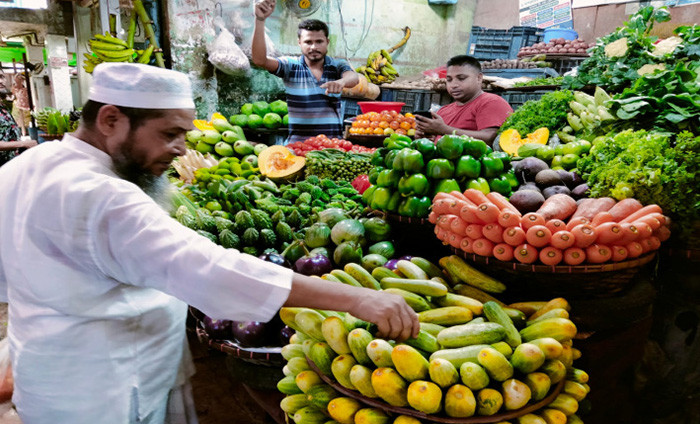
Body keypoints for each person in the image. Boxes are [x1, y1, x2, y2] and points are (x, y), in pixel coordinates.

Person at [0, 62, 419, 423]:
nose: (181, 150)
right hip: (111, 385)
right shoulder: (104, 195)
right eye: (169, 134)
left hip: (49, 370)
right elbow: (212, 269)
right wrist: (357, 300)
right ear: (111, 120)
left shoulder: (27, 165)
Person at [251, 0, 359, 144]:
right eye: (308, 42)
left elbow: (354, 78)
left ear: (327, 42)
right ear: (299, 43)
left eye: (319, 41)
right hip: (297, 146)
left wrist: (341, 82)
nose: (314, 47)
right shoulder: (290, 66)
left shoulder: (337, 65)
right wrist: (260, 20)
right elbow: (260, 60)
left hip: (332, 147)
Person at [415, 55, 513, 145]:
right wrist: (426, 138)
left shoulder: (491, 102)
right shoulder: (443, 110)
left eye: (461, 78)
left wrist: (444, 130)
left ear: (479, 78)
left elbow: (491, 138)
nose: (454, 85)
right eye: (449, 80)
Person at [0, 68, 37, 167]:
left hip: (9, 164)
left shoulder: (3, 104)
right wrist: (22, 144)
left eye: (2, 77)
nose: (1, 81)